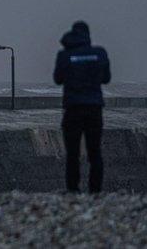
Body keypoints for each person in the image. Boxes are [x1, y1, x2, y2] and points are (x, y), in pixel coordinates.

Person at [53, 20, 111, 194]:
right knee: (95, 152)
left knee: (73, 153)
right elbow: (106, 78)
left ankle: (73, 189)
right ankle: (95, 191)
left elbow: (58, 79)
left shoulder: (64, 55)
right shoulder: (99, 54)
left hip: (73, 108)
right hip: (94, 108)